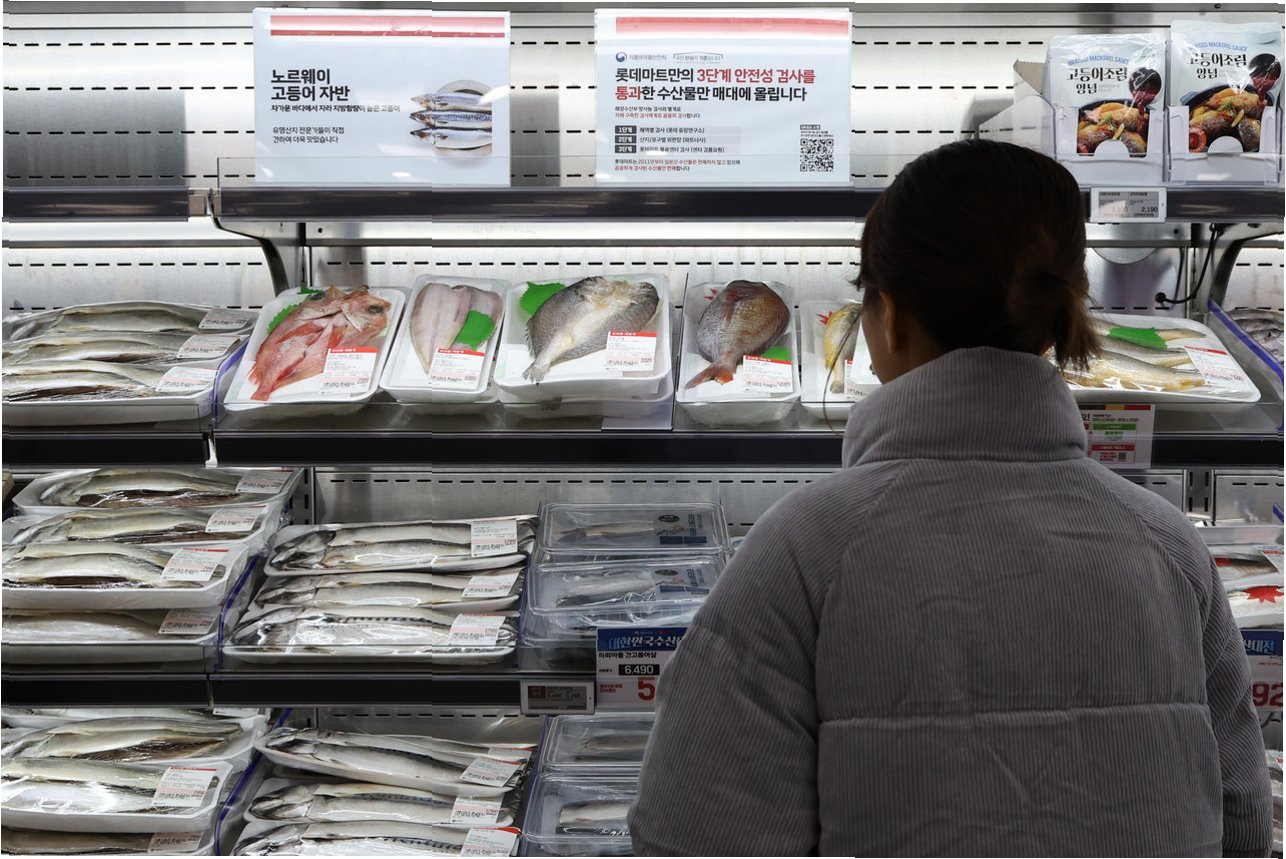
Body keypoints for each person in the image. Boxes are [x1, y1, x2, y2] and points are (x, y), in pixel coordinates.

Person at [628, 139, 1271, 857]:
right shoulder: (1169, 545)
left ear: (889, 315)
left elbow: (698, 834)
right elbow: (1242, 818)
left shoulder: (803, 549)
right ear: (1054, 315)